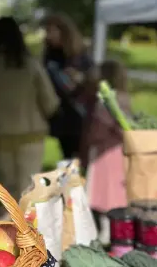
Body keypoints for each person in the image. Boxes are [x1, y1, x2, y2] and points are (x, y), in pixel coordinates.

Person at [0, 17, 59, 202]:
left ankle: (8, 220)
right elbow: (50, 103)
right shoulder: (31, 65)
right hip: (31, 135)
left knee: (8, 190)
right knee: (29, 189)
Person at [42, 13, 96, 160]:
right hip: (62, 117)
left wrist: (81, 78)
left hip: (81, 116)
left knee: (84, 158)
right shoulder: (49, 56)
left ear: (64, 31)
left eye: (51, 31)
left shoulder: (81, 56)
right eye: (47, 31)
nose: (48, 36)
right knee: (68, 157)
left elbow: (95, 82)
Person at [86, 60, 131, 230]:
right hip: (121, 150)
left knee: (104, 189)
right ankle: (115, 227)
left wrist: (90, 138)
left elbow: (98, 130)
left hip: (104, 152)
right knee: (117, 191)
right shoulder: (125, 98)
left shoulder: (106, 101)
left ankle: (105, 229)